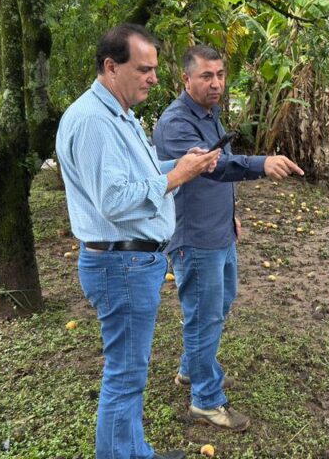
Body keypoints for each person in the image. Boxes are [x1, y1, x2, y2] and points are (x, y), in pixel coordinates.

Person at [56, 24, 219, 459]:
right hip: (120, 265)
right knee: (125, 376)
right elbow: (114, 201)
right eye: (143, 69)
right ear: (111, 67)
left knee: (131, 373)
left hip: (131, 263)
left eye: (154, 69)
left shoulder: (119, 114)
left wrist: (182, 164)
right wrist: (177, 176)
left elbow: (137, 178)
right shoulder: (93, 121)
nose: (152, 78)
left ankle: (135, 453)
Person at [153, 44, 304, 431]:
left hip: (220, 230)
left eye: (220, 75)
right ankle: (206, 400)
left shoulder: (211, 114)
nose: (216, 83)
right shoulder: (175, 124)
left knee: (219, 307)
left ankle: (192, 369)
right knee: (204, 317)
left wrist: (233, 216)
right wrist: (261, 163)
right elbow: (212, 168)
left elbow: (220, 175)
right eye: (206, 76)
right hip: (196, 237)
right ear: (186, 79)